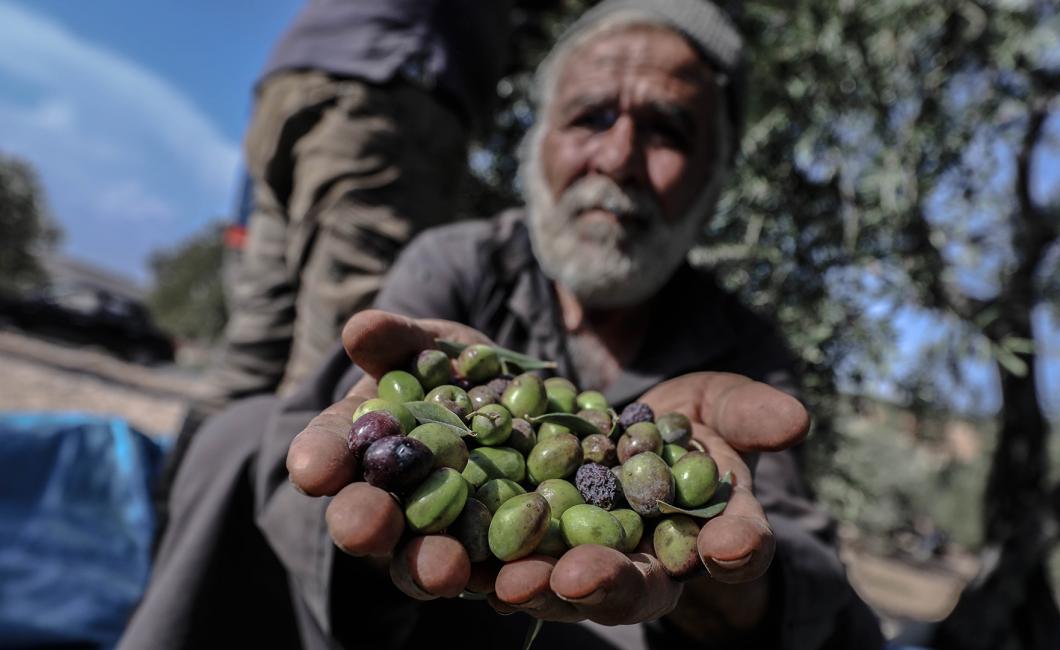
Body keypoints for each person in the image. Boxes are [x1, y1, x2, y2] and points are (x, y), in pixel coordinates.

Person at [120, 1, 886, 648]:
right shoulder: (456, 263)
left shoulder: (743, 350)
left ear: (717, 177)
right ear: (535, 143)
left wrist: (730, 591)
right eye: (590, 117)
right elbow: (305, 474)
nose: (617, 158)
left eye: (667, 132)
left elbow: (822, 596)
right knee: (234, 438)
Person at [205, 0, 515, 404]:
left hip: (297, 71)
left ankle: (193, 465)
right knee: (336, 368)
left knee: (250, 351)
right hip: (394, 81)